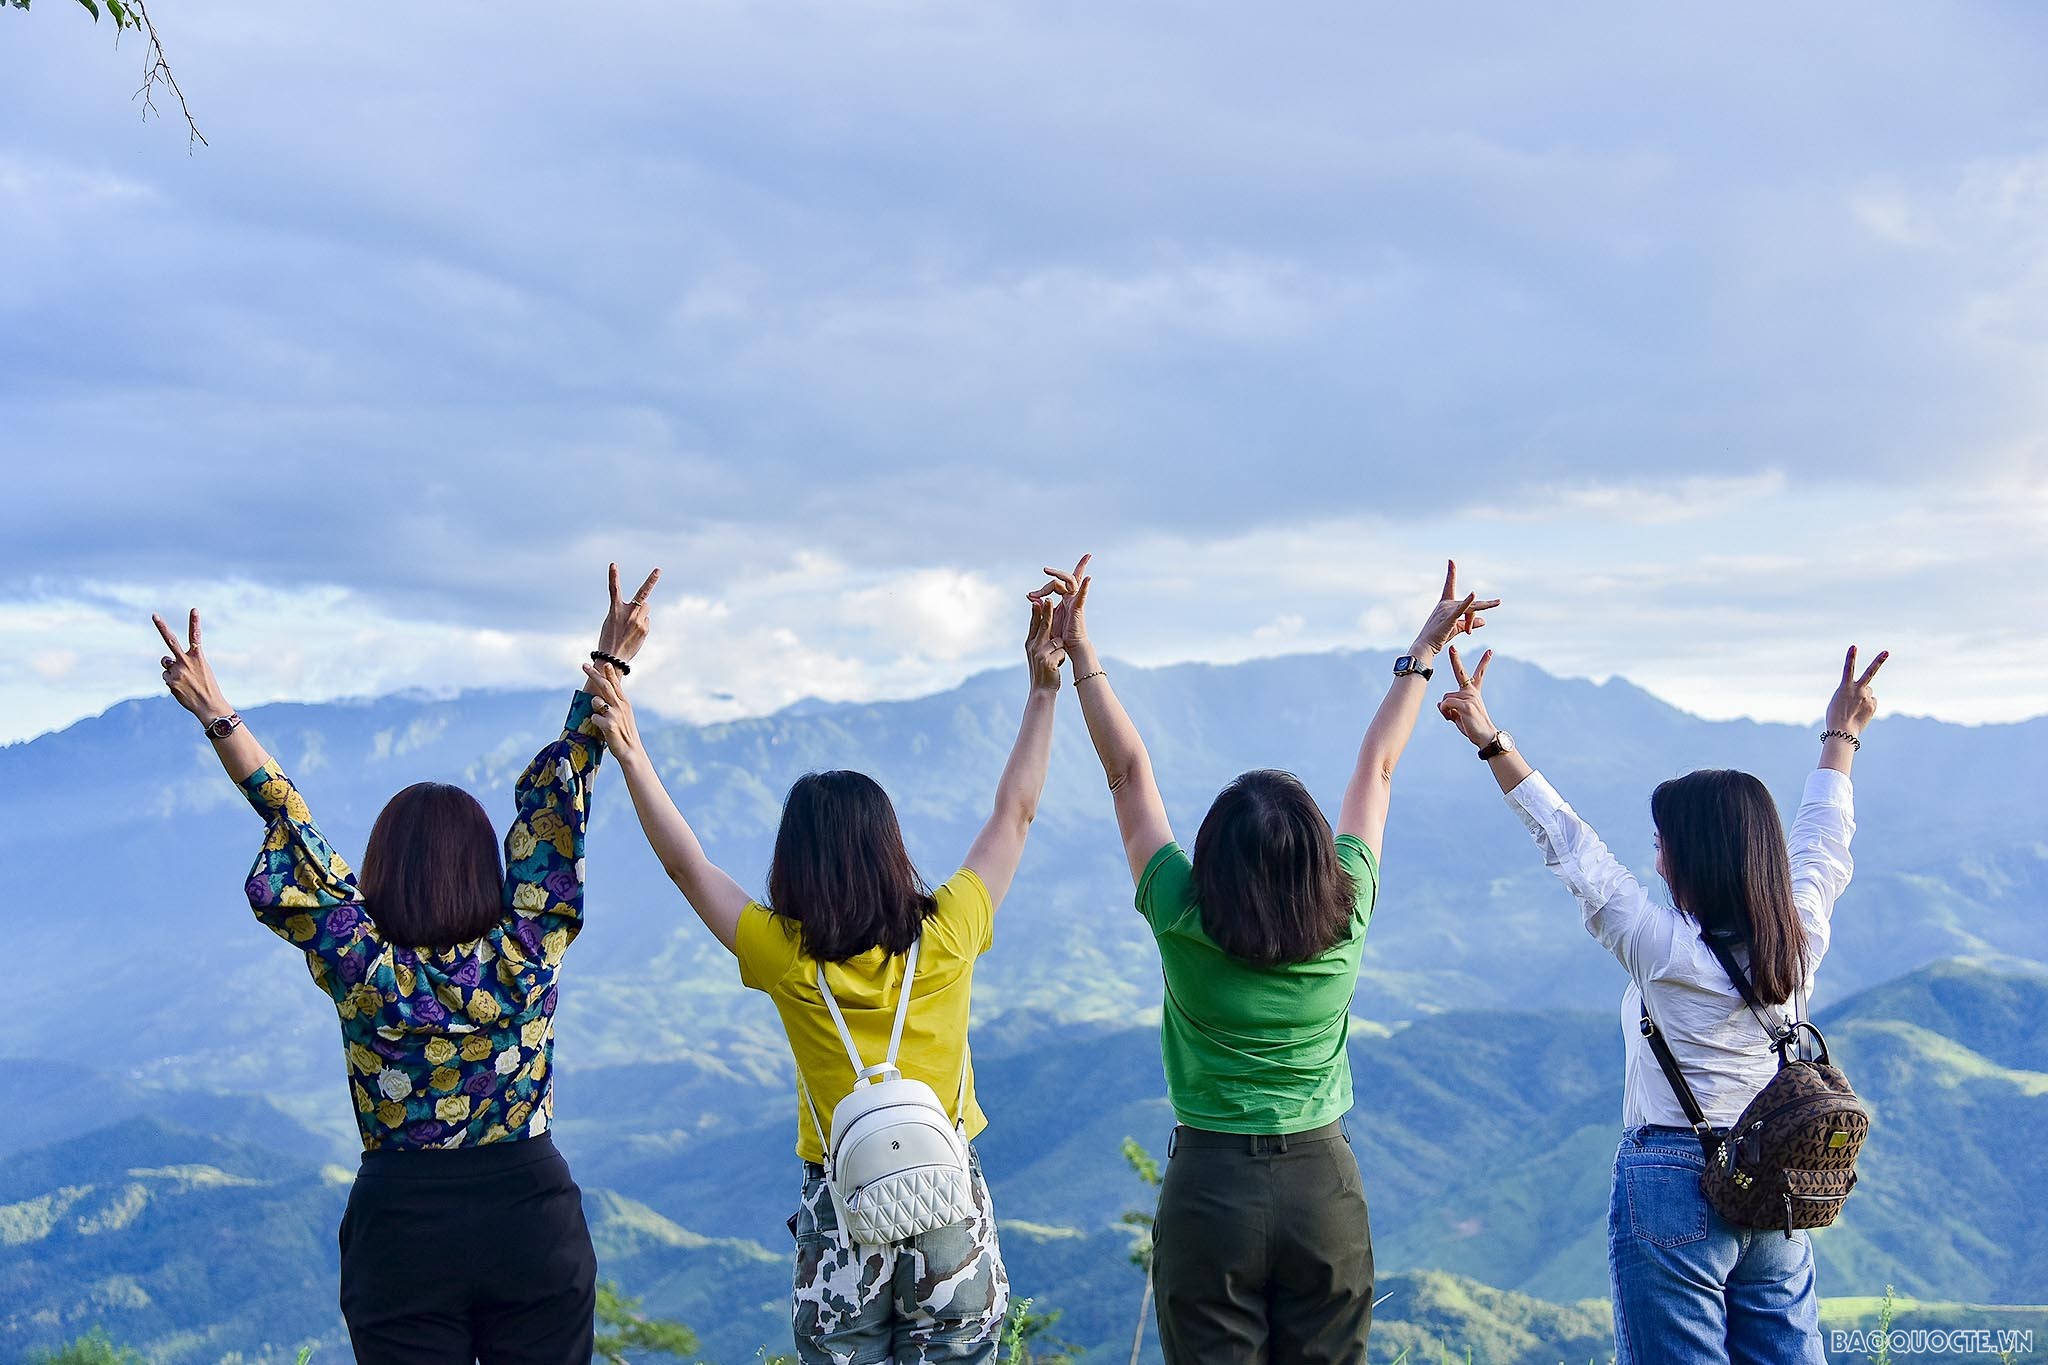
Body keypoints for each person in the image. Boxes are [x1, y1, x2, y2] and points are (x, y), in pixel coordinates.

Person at [149, 563, 662, 1365]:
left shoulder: (363, 963)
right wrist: (611, 660)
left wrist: (218, 714)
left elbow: (295, 829)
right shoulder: (526, 952)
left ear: (383, 871)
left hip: (402, 1231)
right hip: (532, 1217)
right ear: (488, 872)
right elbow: (562, 802)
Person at [580, 577, 1069, 1365]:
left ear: (793, 864)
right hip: (949, 1209)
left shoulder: (786, 955)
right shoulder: (948, 932)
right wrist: (1044, 689)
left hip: (841, 1206)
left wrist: (630, 747)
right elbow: (1015, 811)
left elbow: (686, 865)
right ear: (890, 847)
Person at [1054, 553, 1499, 1364]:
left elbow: (1127, 774)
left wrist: (1082, 655)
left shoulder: (1182, 911)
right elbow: (1380, 767)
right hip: (1322, 1189)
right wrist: (1421, 653)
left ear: (1212, 858)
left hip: (1208, 1193)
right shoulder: (1349, 903)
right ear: (1317, 858)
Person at [1434, 641, 1888, 1364]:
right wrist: (1843, 733)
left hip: (1673, 1179)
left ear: (1691, 857)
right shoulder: (1797, 942)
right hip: (1774, 1174)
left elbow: (1572, 849)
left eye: (1660, 843)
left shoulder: (1665, 950)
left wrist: (1492, 741)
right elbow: (1823, 842)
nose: (1654, 859)